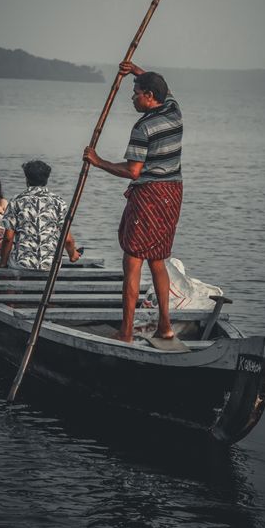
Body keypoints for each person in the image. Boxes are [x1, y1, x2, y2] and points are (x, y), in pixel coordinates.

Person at [83, 60, 183, 342]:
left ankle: (125, 331)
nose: (132, 97)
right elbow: (168, 90)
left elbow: (132, 171)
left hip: (150, 194)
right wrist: (138, 71)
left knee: (133, 260)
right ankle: (165, 326)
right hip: (173, 193)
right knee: (158, 260)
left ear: (150, 96)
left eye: (136, 92)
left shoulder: (144, 127)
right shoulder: (174, 111)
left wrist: (97, 161)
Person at [0, 159, 81, 269]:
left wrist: (3, 263)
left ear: (27, 179)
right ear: (46, 179)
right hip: (50, 265)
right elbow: (67, 239)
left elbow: (8, 238)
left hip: (22, 264)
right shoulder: (58, 202)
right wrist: (73, 255)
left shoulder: (16, 201)